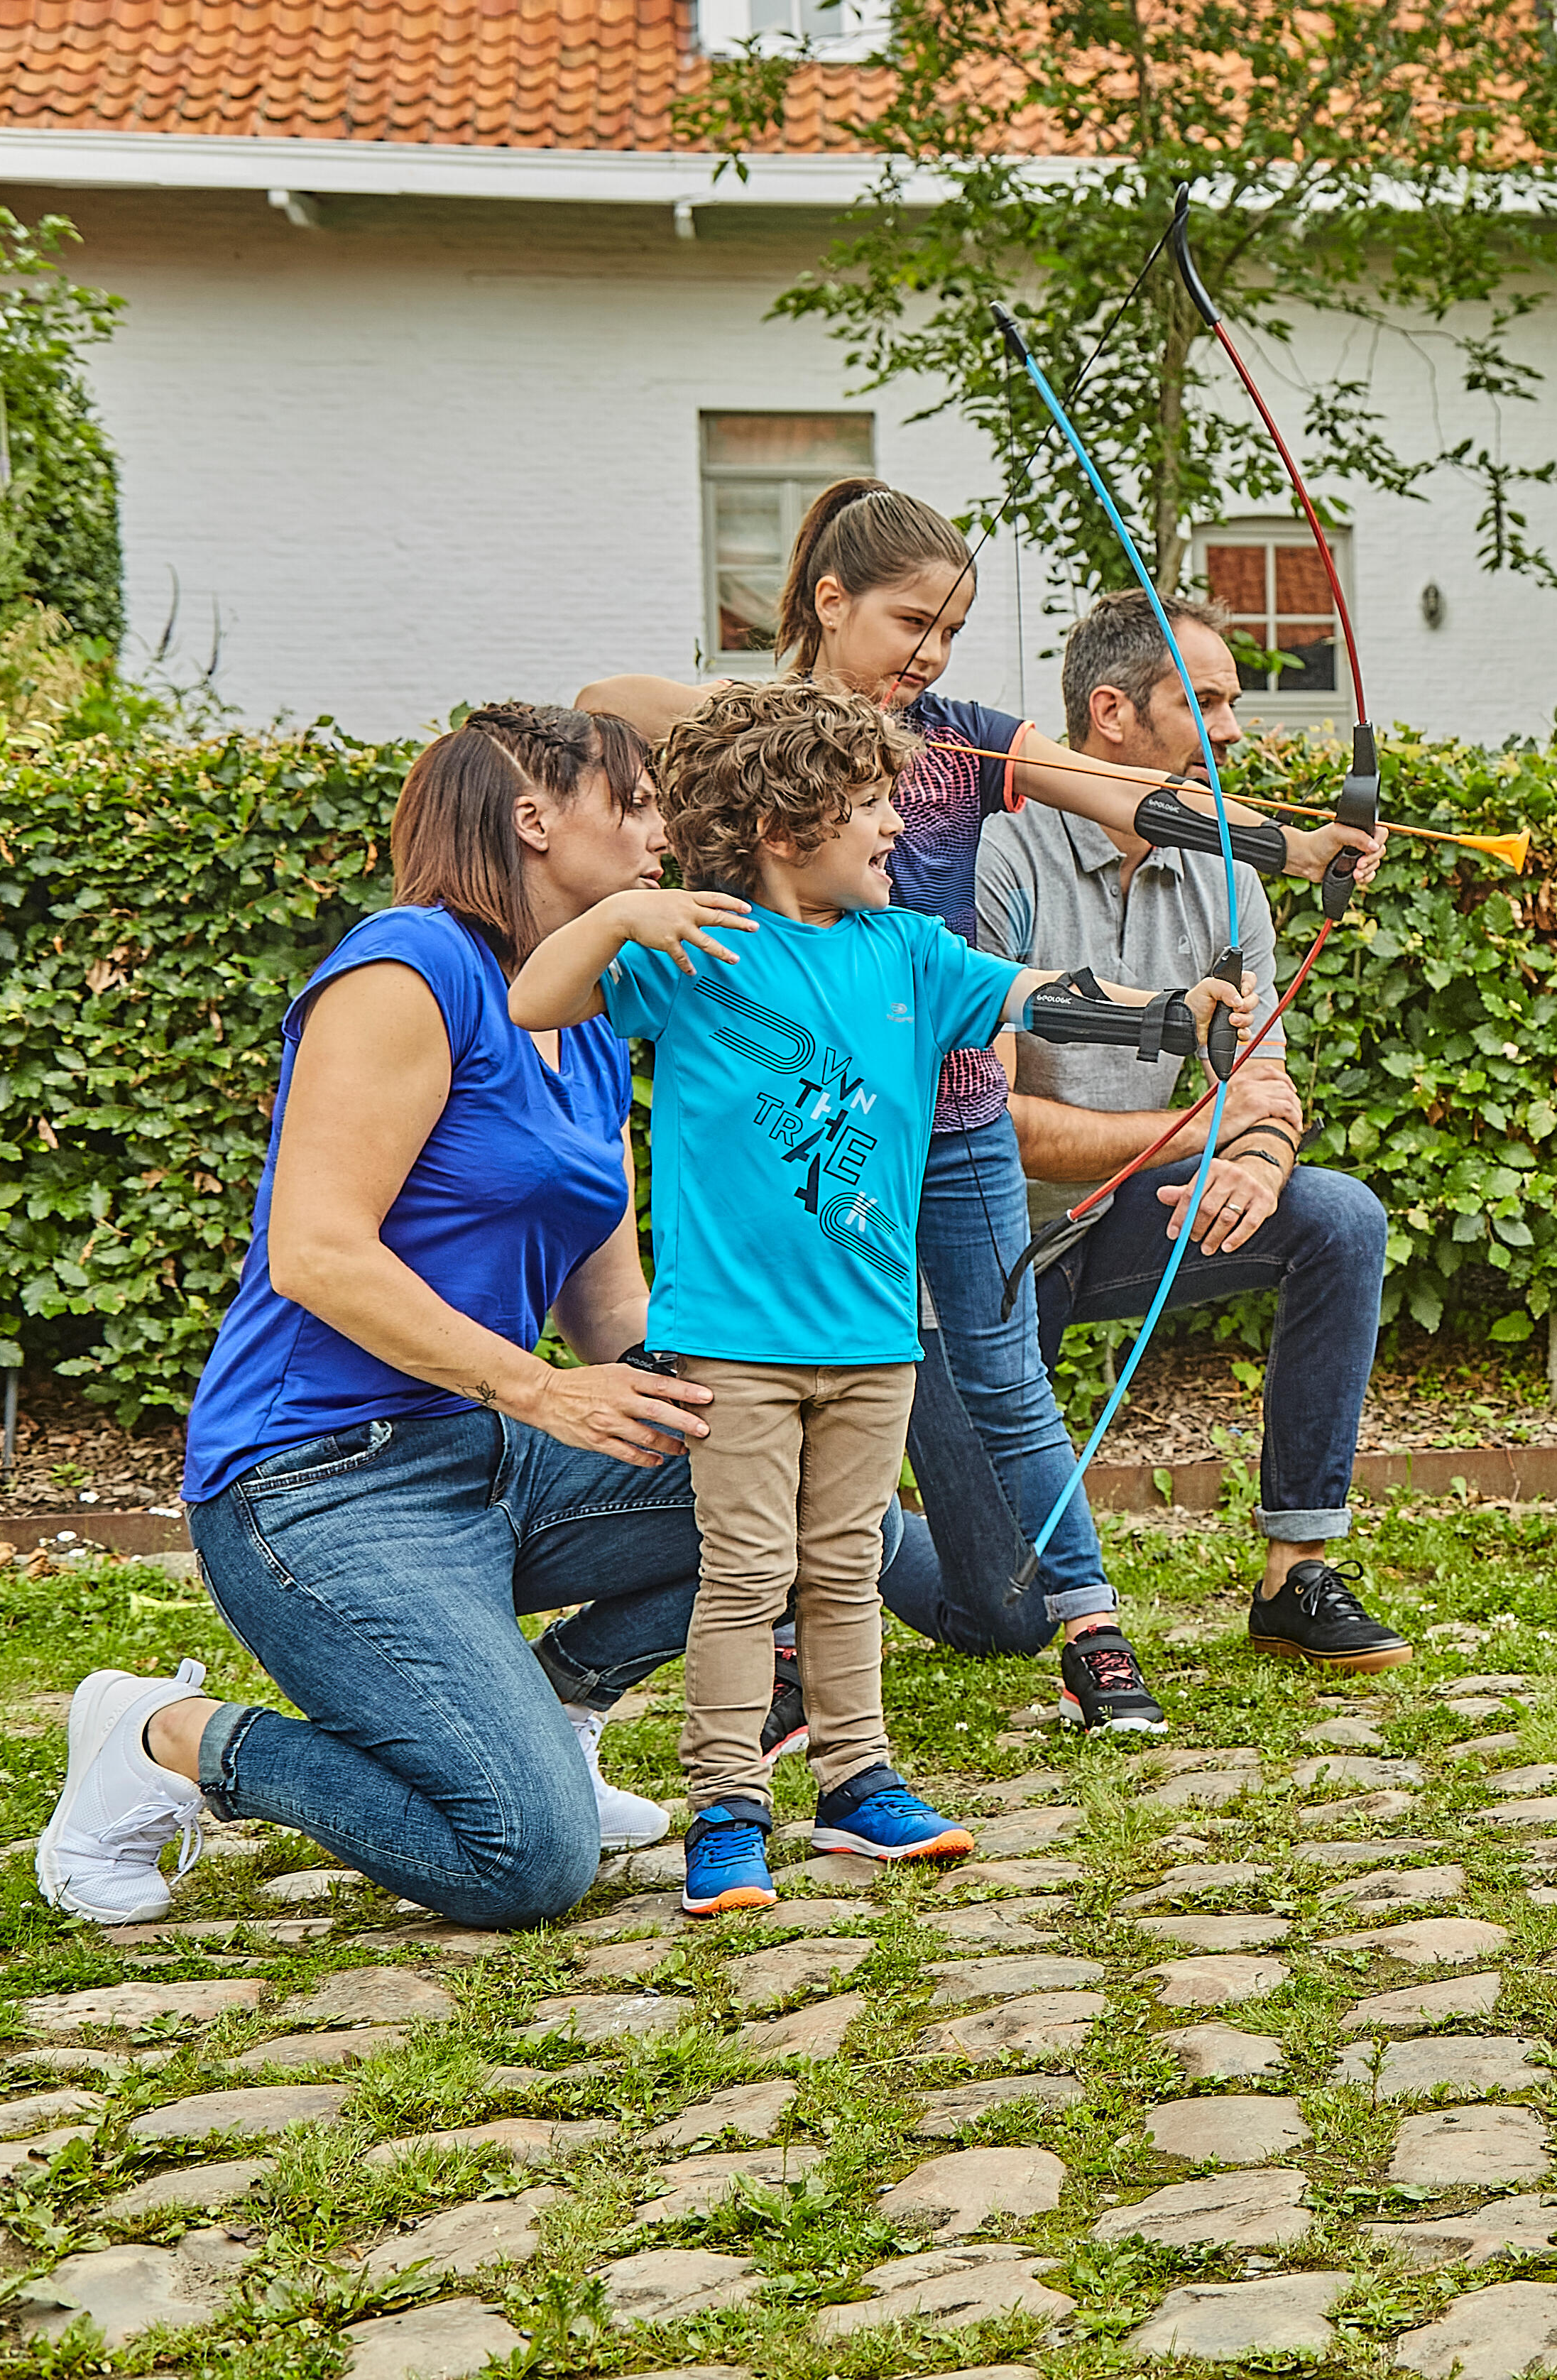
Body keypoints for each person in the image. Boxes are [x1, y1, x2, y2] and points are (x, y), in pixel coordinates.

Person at [576, 483, 1377, 1735]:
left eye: (949, 630)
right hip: (788, 1125)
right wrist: (780, 726)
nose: (932, 655)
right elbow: (599, 709)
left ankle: (1092, 1630)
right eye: (910, 622)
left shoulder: (974, 740)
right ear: (830, 603)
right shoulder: (755, 743)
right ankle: (783, 1649)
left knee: (1008, 1382)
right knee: (768, 1367)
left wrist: (1293, 850)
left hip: (947, 1122)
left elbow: (1135, 799)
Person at [512, 682, 1235, 1911]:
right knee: (746, 1577)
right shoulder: (697, 952)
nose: (900, 824)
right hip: (731, 1344)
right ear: (792, 831)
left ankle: (856, 1782)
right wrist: (631, 911)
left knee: (845, 1569)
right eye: (873, 805)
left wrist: (1178, 1014)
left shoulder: (910, 950)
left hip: (871, 1339)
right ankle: (727, 1808)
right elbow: (538, 995)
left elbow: (1037, 992)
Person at [33, 706, 718, 1932]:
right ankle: (158, 1736)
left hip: (481, 1455)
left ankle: (555, 1718)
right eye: (640, 802)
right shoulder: (407, 968)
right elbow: (316, 1252)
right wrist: (542, 1391)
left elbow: (609, 1301)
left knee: (797, 1497)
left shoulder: (591, 1017)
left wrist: (732, 1405)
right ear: (535, 818)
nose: (665, 831)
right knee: (525, 1864)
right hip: (315, 1482)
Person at [983, 594, 1406, 1671]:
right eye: (1203, 701)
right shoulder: (997, 855)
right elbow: (990, 1125)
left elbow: (1261, 1079)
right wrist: (1196, 1132)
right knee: (999, 1604)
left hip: (1120, 1210)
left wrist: (1258, 1164)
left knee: (1339, 1220)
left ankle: (1296, 1574)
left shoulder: (1228, 872)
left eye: (1232, 702)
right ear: (1112, 712)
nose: (1230, 730)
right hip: (986, 1246)